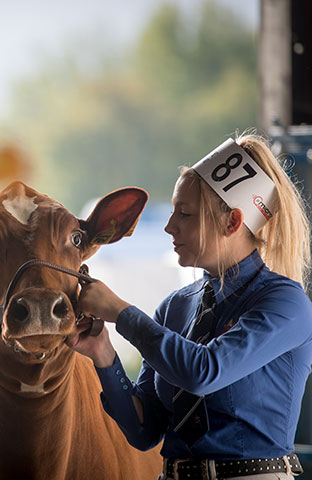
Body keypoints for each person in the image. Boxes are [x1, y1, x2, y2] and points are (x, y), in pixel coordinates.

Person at [67, 130, 312, 480]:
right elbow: (144, 431)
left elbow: (204, 372)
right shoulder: (175, 307)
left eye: (184, 214)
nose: (169, 226)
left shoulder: (287, 304)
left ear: (232, 222)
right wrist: (103, 353)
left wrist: (120, 312)